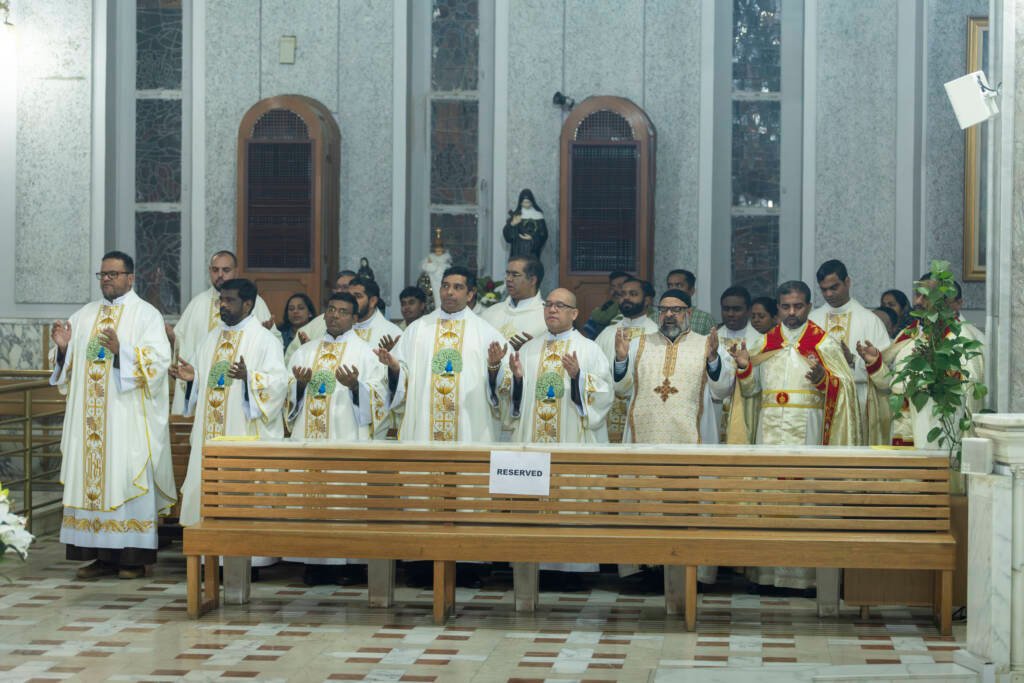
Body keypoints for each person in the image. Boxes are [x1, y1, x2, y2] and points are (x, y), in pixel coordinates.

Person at [48, 250, 176, 579]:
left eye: (113, 274)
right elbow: (67, 368)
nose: (106, 279)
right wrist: (63, 348)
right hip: (89, 423)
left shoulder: (146, 315)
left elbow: (159, 362)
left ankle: (133, 559)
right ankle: (100, 557)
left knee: (124, 479)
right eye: (102, 274)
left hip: (126, 421)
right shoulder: (84, 315)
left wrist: (123, 353)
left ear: (130, 278)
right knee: (93, 481)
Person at [374, 266, 505, 587]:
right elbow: (401, 376)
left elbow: (503, 385)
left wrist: (494, 369)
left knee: (468, 495)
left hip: (469, 432)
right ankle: (421, 563)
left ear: (471, 294)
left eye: (458, 287)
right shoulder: (418, 330)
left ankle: (469, 565)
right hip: (424, 433)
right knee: (422, 493)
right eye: (445, 286)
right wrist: (395, 369)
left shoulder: (486, 332)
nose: (449, 292)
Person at [728, 280, 859, 591]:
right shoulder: (764, 344)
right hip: (769, 430)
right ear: (778, 308)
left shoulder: (824, 343)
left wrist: (824, 380)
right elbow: (750, 392)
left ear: (809, 307)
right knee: (769, 497)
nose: (791, 312)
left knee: (806, 499)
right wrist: (745, 368)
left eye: (798, 306)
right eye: (785, 306)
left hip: (808, 430)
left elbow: (846, 389)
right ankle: (767, 575)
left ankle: (806, 577)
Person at [494, 287, 612, 590]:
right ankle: (533, 565)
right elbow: (512, 403)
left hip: (571, 444)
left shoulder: (589, 350)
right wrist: (517, 381)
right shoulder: (528, 350)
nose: (552, 310)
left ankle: (572, 569)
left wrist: (579, 378)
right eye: (549, 305)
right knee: (532, 502)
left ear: (575, 313)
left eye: (561, 306)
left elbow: (604, 395)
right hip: (534, 446)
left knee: (570, 500)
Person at [285, 292, 388, 585]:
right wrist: (299, 386)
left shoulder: (366, 353)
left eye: (343, 311)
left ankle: (351, 565)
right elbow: (286, 394)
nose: (334, 315)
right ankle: (314, 563)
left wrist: (356, 387)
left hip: (347, 439)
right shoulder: (304, 351)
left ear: (354, 318)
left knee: (346, 499)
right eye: (330, 309)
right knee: (311, 498)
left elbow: (380, 398)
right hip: (310, 443)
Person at [174, 279, 289, 534]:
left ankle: (247, 552)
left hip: (243, 432)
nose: (223, 306)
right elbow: (204, 381)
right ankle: (207, 549)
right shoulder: (210, 338)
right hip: (209, 435)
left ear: (247, 304)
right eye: (221, 300)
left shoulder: (264, 340)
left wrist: (250, 379)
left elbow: (279, 384)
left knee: (241, 491)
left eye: (229, 301)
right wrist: (193, 379)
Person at [859, 274, 986, 446]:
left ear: (944, 301)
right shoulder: (910, 335)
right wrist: (876, 364)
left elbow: (968, 397)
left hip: (936, 436)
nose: (917, 301)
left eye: (925, 296)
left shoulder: (960, 341)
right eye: (917, 294)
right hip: (902, 432)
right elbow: (892, 386)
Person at [614, 290, 733, 445]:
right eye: (663, 310)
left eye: (676, 310)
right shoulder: (639, 344)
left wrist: (713, 360)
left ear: (689, 313)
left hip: (691, 434)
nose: (669, 314)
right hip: (646, 434)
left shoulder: (707, 345)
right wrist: (621, 360)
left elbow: (722, 391)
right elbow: (621, 389)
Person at [168, 250, 279, 414]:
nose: (220, 275)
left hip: (239, 404)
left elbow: (275, 371)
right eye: (215, 270)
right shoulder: (198, 305)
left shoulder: (256, 303)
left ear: (236, 271)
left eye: (226, 270)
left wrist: (249, 374)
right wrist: (173, 341)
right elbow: (186, 347)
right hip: (207, 401)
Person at [809, 259, 891, 444]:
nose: (829, 294)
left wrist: (853, 361)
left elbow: (887, 373)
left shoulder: (870, 321)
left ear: (847, 282)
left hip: (858, 399)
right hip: (821, 399)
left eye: (834, 287)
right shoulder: (812, 320)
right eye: (824, 289)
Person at [595, 277, 658, 443]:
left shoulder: (655, 334)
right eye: (623, 294)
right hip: (607, 411)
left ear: (647, 300)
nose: (626, 298)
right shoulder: (608, 333)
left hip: (642, 411)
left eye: (633, 294)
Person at [714, 286, 760, 441]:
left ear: (748, 311)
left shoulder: (760, 341)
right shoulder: (711, 340)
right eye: (726, 309)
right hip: (717, 407)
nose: (730, 314)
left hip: (746, 406)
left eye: (736, 309)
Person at [283, 270, 357, 364]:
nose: (339, 291)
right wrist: (307, 351)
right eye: (337, 287)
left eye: (345, 287)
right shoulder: (317, 323)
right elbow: (291, 359)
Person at [481, 257, 547, 351]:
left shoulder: (546, 316)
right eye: (507, 274)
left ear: (532, 280)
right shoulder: (490, 313)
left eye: (515, 275)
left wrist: (532, 349)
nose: (508, 279)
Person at [581, 270, 630, 339]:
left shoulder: (635, 312)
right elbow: (586, 336)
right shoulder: (603, 309)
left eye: (620, 286)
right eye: (612, 287)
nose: (615, 290)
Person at [503, 189, 548, 260]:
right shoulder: (516, 215)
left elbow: (544, 234)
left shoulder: (538, 215)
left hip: (532, 252)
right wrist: (512, 224)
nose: (526, 204)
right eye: (524, 202)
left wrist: (533, 238)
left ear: (532, 202)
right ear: (520, 203)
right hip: (517, 250)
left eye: (528, 202)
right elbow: (508, 237)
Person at [666, 269, 715, 334]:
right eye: (670, 285)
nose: (673, 289)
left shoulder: (705, 319)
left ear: (692, 290)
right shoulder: (657, 317)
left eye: (679, 285)